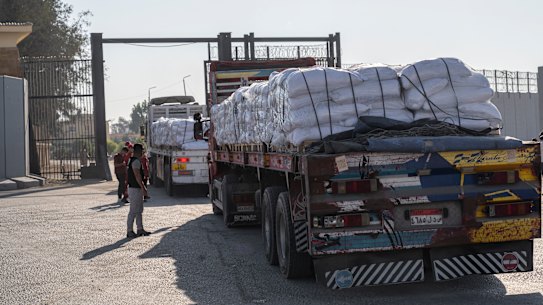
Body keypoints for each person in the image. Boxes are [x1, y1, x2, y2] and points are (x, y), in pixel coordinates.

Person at [126, 143, 151, 238]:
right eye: (142, 151)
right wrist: (143, 187)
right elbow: (137, 175)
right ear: (139, 151)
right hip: (135, 188)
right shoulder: (136, 162)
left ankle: (140, 229)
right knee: (133, 210)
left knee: (139, 210)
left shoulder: (132, 160)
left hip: (135, 188)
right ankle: (129, 230)